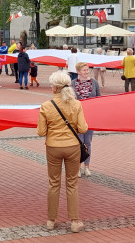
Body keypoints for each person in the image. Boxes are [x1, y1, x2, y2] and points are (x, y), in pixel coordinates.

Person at [37, 71, 88, 233]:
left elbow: (40, 131)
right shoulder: (76, 104)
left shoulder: (46, 105)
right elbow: (83, 128)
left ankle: (51, 220)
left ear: (55, 88)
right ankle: (74, 221)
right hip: (72, 147)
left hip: (53, 147)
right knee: (72, 183)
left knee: (54, 183)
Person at [74, 63, 101, 177]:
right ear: (78, 72)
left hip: (90, 117)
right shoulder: (72, 84)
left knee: (88, 142)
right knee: (79, 142)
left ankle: (87, 167)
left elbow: (99, 99)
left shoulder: (94, 83)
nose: (86, 72)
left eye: (87, 70)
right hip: (78, 117)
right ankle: (78, 167)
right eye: (84, 70)